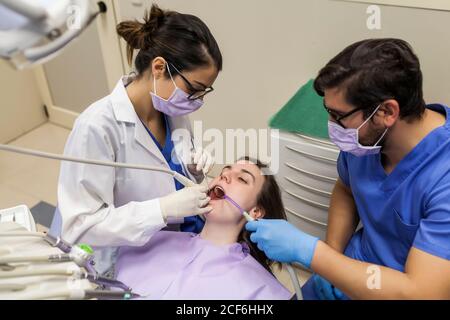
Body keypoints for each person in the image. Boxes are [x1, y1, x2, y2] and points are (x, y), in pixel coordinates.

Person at [246, 38, 450, 299]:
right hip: (355, 262)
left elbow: (421, 293)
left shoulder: (442, 176)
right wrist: (332, 258)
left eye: (338, 116)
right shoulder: (365, 141)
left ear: (387, 112)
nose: (332, 126)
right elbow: (346, 188)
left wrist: (312, 253)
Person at [55, 4, 222, 275]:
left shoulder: (170, 109)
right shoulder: (96, 127)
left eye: (204, 92)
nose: (197, 102)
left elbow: (166, 166)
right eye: (193, 89)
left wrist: (192, 168)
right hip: (130, 256)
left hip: (180, 238)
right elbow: (80, 227)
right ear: (159, 68)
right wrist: (161, 210)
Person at [114, 158, 292, 300]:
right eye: (224, 171)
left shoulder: (262, 290)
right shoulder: (149, 241)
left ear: (255, 212)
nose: (225, 176)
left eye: (242, 179)